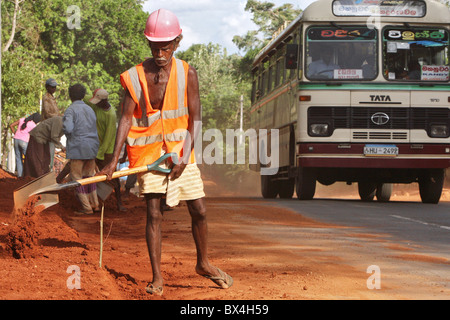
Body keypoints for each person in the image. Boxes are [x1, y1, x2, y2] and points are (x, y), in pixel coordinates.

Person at [97, 8, 233, 296]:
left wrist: (184, 156)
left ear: (178, 42)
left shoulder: (188, 73)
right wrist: (112, 161)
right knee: (154, 213)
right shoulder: (134, 77)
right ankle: (157, 277)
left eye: (166, 47)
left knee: (199, 209)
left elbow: (196, 120)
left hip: (181, 152)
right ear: (148, 43)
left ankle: (203, 263)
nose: (160, 53)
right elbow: (125, 118)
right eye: (155, 46)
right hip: (148, 156)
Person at [63, 84, 100, 216]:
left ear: (70, 95)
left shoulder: (70, 110)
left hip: (78, 147)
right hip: (92, 147)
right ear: (83, 96)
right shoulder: (90, 109)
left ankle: (86, 207)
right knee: (89, 177)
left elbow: (67, 128)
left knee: (77, 178)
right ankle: (95, 204)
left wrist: (69, 137)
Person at [88, 88, 126, 212]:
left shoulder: (111, 115)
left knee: (112, 177)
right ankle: (95, 202)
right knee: (91, 176)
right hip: (95, 147)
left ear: (104, 101)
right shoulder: (97, 107)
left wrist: (99, 155)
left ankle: (119, 203)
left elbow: (108, 138)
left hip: (107, 151)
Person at [9, 113, 41, 177]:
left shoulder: (22, 119)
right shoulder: (33, 125)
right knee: (28, 158)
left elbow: (11, 125)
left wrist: (15, 133)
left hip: (16, 140)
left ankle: (20, 176)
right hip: (24, 141)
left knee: (18, 159)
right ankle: (29, 175)